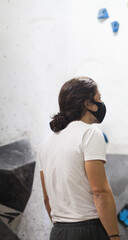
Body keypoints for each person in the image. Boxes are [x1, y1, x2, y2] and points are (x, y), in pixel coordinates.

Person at [38, 77, 121, 240]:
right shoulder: (89, 134)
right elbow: (100, 193)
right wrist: (114, 236)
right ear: (87, 104)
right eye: (99, 98)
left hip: (58, 232)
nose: (101, 103)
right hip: (88, 230)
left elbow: (47, 199)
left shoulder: (46, 143)